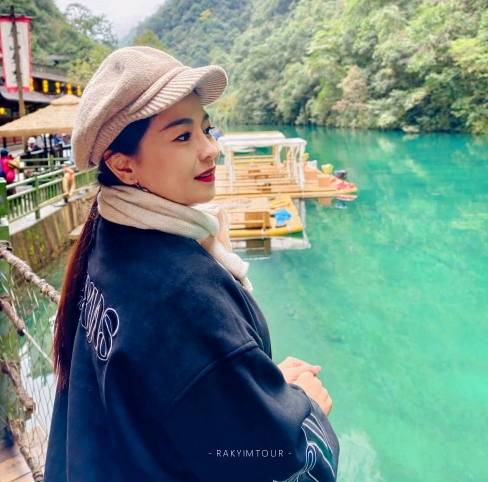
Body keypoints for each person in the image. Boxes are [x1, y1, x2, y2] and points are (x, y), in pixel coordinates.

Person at [45, 46, 340, 481]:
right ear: (124, 166)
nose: (210, 150)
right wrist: (304, 404)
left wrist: (249, 387)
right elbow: (273, 460)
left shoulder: (108, 240)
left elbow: (169, 392)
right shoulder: (184, 294)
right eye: (182, 137)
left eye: (207, 128)